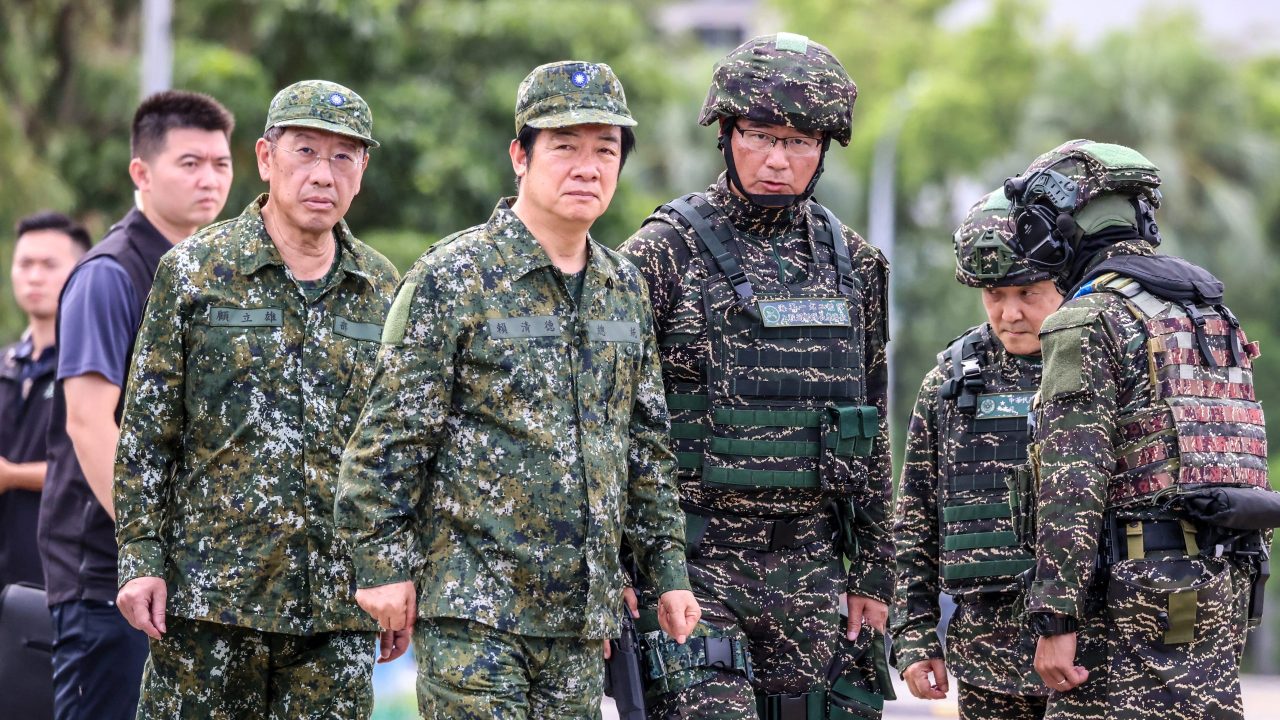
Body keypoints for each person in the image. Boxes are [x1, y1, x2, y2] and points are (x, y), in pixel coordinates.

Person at [335, 60, 699, 718]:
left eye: (605, 150)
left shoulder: (623, 287)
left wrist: (666, 571)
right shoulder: (453, 276)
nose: (587, 168)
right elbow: (389, 437)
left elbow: (645, 446)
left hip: (581, 626)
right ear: (520, 156)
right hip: (474, 612)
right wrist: (380, 564)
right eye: (564, 147)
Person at [617, 32, 895, 719]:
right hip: (692, 567)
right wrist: (621, 566)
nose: (777, 159)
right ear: (726, 135)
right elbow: (610, 418)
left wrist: (874, 571)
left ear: (824, 149)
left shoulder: (856, 265)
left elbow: (872, 423)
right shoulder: (662, 254)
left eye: (799, 142)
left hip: (814, 569)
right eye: (761, 136)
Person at [111, 79, 400, 717]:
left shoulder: (382, 286)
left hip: (337, 609)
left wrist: (393, 568)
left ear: (362, 172)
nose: (323, 174)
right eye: (306, 151)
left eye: (343, 157)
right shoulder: (195, 271)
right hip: (210, 599)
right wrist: (140, 557)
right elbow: (147, 432)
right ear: (267, 159)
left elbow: (394, 450)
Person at [1006, 139, 1267, 719]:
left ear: (1054, 230)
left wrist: (1055, 616)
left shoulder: (1087, 318)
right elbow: (1239, 451)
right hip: (1221, 581)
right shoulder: (1208, 310)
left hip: (1132, 594)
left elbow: (1073, 480)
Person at [39, 90, 234, 720]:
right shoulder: (111, 274)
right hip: (108, 575)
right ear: (141, 173)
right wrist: (149, 544)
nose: (210, 179)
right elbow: (89, 423)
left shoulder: (211, 274)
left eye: (221, 163)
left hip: (188, 576)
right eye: (189, 163)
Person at [890, 190, 1059, 719]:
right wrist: (915, 633)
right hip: (989, 664)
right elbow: (914, 516)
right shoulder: (954, 380)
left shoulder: (1098, 365)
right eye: (994, 294)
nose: (1010, 313)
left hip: (1094, 663)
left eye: (1028, 292)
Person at [1, 212, 90, 590]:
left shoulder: (91, 368)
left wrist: (13, 476)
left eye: (49, 265)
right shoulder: (6, 363)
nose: (34, 276)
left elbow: (98, 463)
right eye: (25, 264)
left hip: (60, 576)